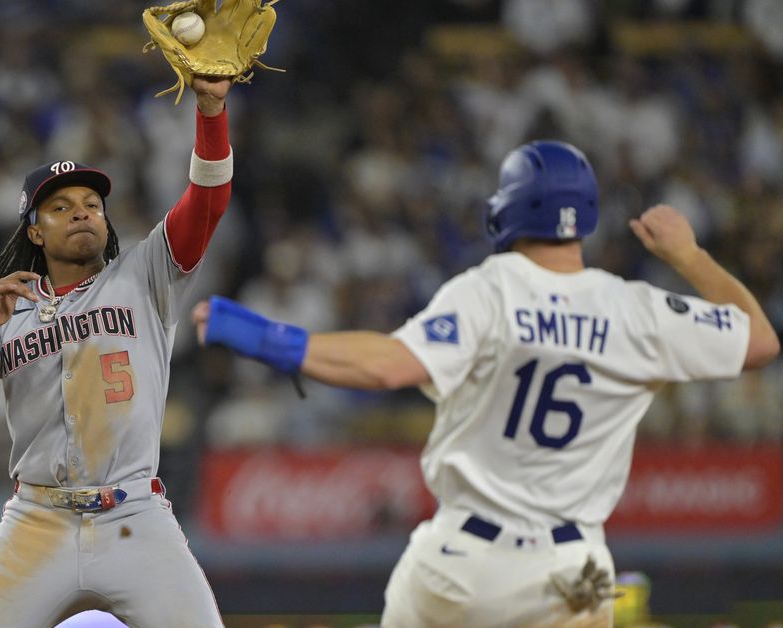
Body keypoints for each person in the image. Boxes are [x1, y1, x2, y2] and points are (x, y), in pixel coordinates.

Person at [192, 140, 780, 627]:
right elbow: (761, 342)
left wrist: (266, 338)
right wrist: (689, 255)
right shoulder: (637, 309)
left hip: (463, 563)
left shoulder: (491, 289)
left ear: (508, 211)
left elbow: (388, 367)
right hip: (575, 569)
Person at [0, 77, 233, 627]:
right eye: (61, 206)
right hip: (37, 520)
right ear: (35, 232)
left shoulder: (145, 274)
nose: (82, 212)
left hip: (135, 515)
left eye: (92, 203)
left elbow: (207, 201)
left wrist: (211, 111)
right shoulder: (8, 308)